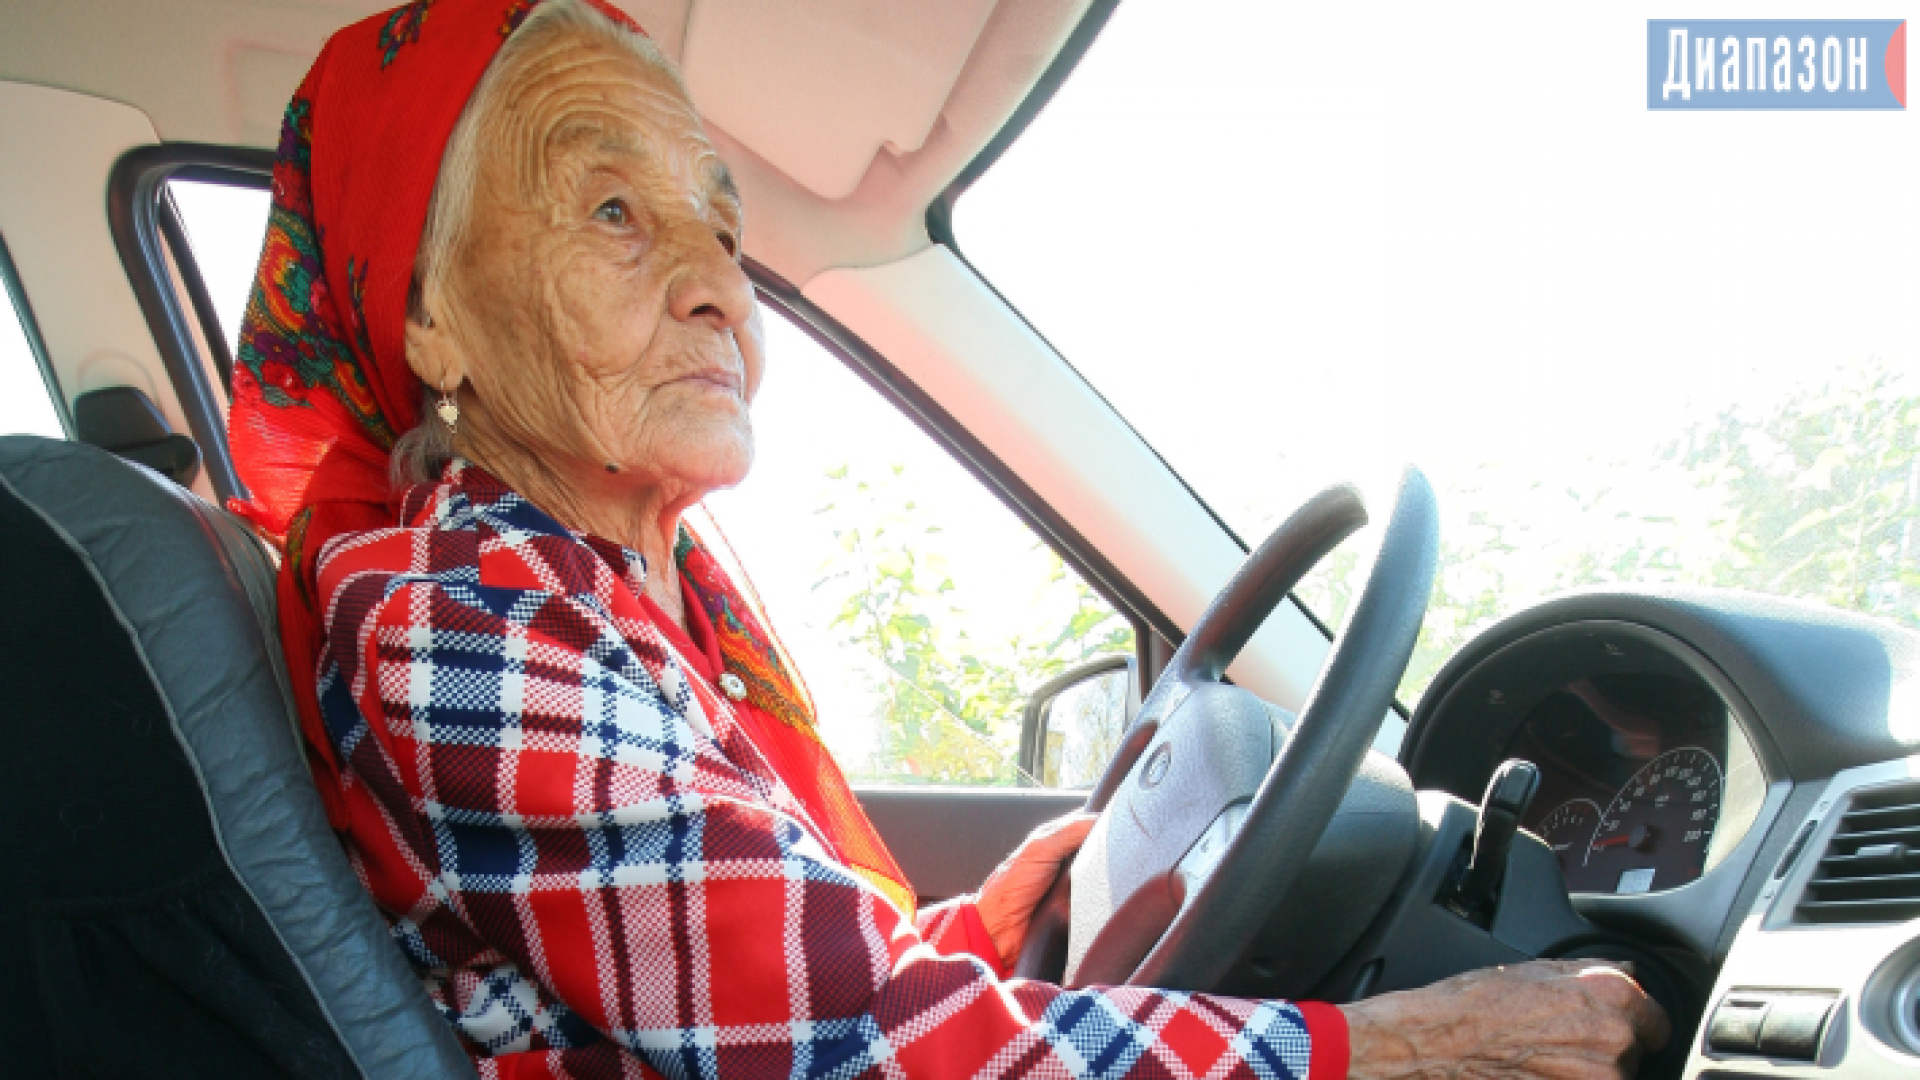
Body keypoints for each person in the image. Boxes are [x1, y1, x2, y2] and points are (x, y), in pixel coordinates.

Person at [225, 1, 1671, 1076]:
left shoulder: (615, 589)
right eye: (614, 212)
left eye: (720, 232)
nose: (721, 291)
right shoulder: (445, 624)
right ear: (432, 318)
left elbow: (792, 974)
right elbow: (859, 1044)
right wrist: (1401, 1046)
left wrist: (1003, 912)